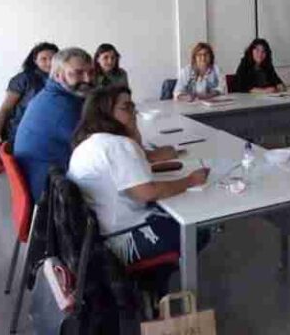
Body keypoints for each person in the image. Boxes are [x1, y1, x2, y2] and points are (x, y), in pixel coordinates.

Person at [68, 86, 208, 265]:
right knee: (199, 228)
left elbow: (138, 155)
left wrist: (132, 129)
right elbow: (147, 193)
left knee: (176, 210)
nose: (133, 112)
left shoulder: (90, 141)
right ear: (104, 113)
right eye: (126, 108)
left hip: (97, 234)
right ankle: (154, 281)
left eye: (133, 107)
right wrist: (190, 181)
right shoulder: (117, 145)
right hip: (120, 239)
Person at [13, 47, 94, 202]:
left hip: (44, 179)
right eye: (78, 73)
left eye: (90, 72)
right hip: (52, 196)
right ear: (58, 75)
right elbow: (96, 150)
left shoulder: (52, 94)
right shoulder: (64, 108)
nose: (88, 79)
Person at [0, 42, 59, 152]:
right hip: (20, 135)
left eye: (53, 58)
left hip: (50, 133)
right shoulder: (23, 79)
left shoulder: (62, 79)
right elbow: (4, 110)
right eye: (43, 59)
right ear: (35, 61)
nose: (49, 63)